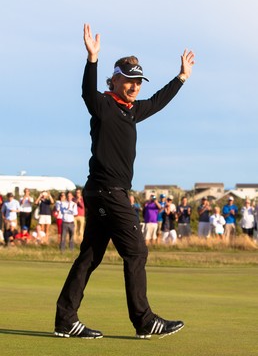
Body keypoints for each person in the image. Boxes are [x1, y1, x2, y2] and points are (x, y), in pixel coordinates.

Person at [54, 23, 194, 339]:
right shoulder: (104, 105)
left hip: (103, 192)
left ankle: (65, 319)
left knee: (90, 256)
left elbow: (158, 101)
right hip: (107, 192)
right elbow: (86, 93)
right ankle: (144, 320)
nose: (134, 86)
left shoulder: (131, 111)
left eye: (138, 82)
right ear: (115, 79)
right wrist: (92, 59)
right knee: (136, 251)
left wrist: (181, 77)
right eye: (128, 80)